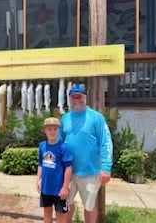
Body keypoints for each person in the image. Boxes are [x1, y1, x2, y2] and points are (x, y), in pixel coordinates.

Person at [58, 83, 113, 223]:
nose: (77, 101)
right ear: (69, 99)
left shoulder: (97, 117)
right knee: (66, 204)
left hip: (91, 172)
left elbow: (106, 142)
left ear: (85, 97)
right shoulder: (64, 119)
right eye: (73, 97)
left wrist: (106, 168)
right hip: (68, 173)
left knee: (89, 207)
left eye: (80, 97)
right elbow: (58, 145)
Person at [36, 117, 73, 223]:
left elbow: (68, 168)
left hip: (59, 189)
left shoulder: (63, 148)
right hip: (46, 188)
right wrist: (38, 180)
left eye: (55, 129)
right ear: (45, 130)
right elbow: (40, 164)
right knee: (47, 213)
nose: (52, 132)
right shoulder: (42, 146)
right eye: (49, 129)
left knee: (61, 216)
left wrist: (65, 187)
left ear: (58, 130)